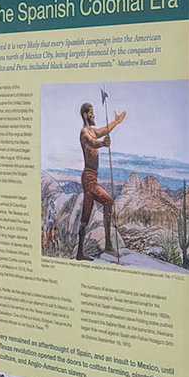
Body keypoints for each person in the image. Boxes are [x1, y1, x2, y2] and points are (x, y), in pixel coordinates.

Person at [76, 100, 127, 260]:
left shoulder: (92, 131)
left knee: (86, 216)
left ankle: (79, 254)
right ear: (85, 114)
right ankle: (108, 246)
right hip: (89, 179)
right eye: (91, 112)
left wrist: (116, 122)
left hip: (91, 177)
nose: (93, 115)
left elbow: (104, 130)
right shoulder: (85, 133)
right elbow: (92, 143)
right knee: (108, 201)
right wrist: (103, 144)